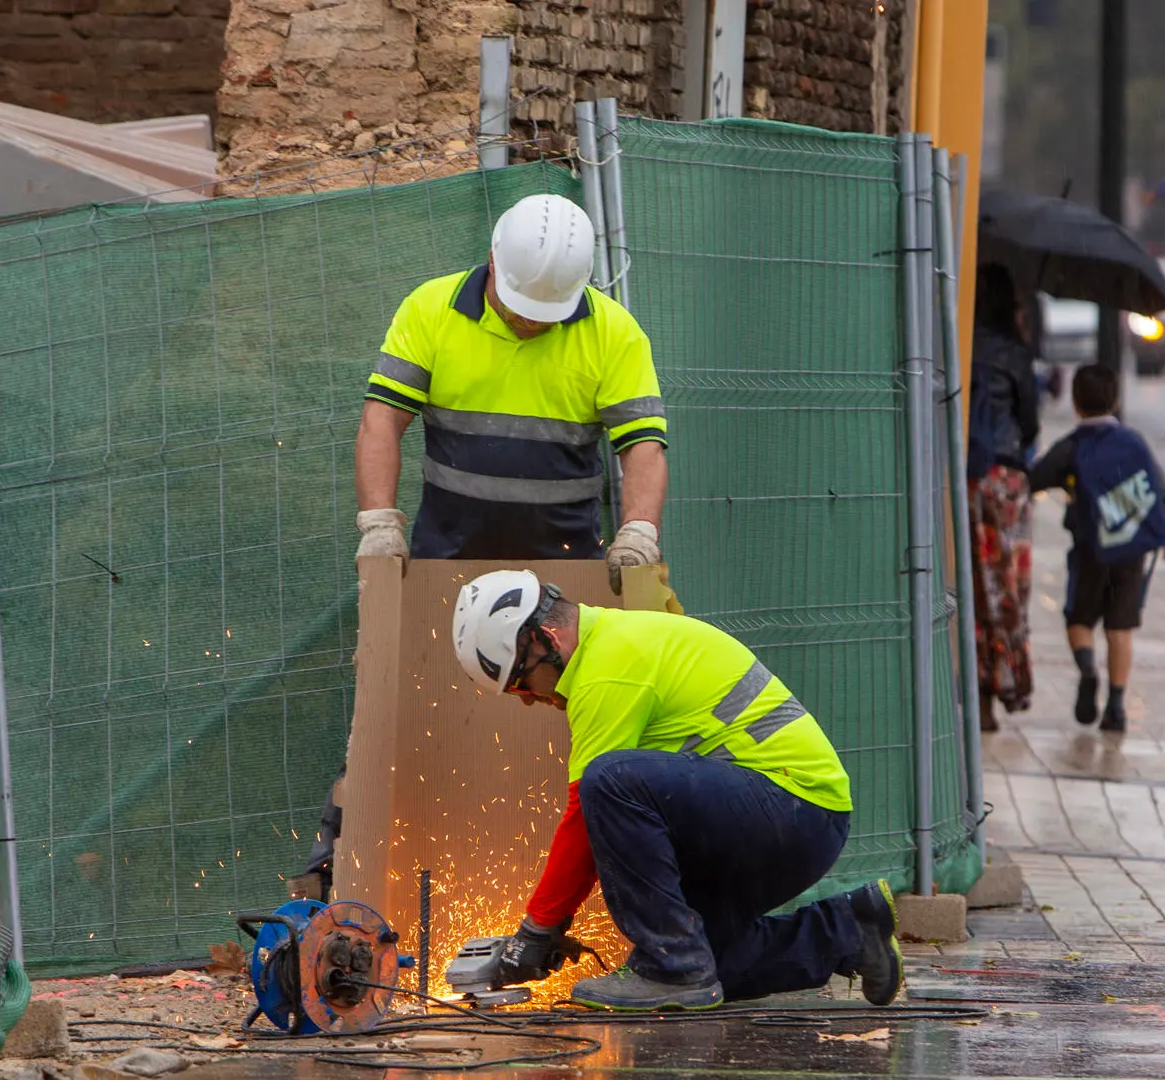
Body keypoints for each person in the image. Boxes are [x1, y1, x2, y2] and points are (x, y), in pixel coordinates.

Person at [294, 193, 672, 901]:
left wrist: (638, 534)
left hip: (565, 580)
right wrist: (379, 524)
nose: (531, 318)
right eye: (522, 302)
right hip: (442, 565)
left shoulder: (614, 333)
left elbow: (643, 446)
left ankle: (557, 900)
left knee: (561, 755)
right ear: (494, 259)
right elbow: (383, 420)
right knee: (405, 726)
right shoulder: (430, 311)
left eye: (546, 310)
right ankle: (361, 892)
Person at [448, 567, 901, 1011]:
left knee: (608, 780)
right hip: (777, 819)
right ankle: (850, 931)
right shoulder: (610, 646)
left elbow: (585, 816)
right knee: (713, 962)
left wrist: (536, 930)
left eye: (520, 681)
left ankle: (673, 969)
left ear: (545, 639)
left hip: (795, 810)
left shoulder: (610, 666)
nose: (527, 698)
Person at [1028, 365, 1165, 733]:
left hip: (1091, 551)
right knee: (1121, 628)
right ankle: (1117, 705)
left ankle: (1088, 669)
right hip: (1132, 552)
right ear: (1115, 400)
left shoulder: (1072, 446)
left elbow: (1034, 479)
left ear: (1076, 403)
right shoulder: (1134, 442)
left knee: (1079, 619)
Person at [968, 265, 1041, 731]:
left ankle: (977, 695)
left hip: (968, 475)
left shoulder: (959, 340)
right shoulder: (1015, 353)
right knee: (1010, 590)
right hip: (1008, 481)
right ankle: (1007, 679)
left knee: (976, 586)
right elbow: (1030, 422)